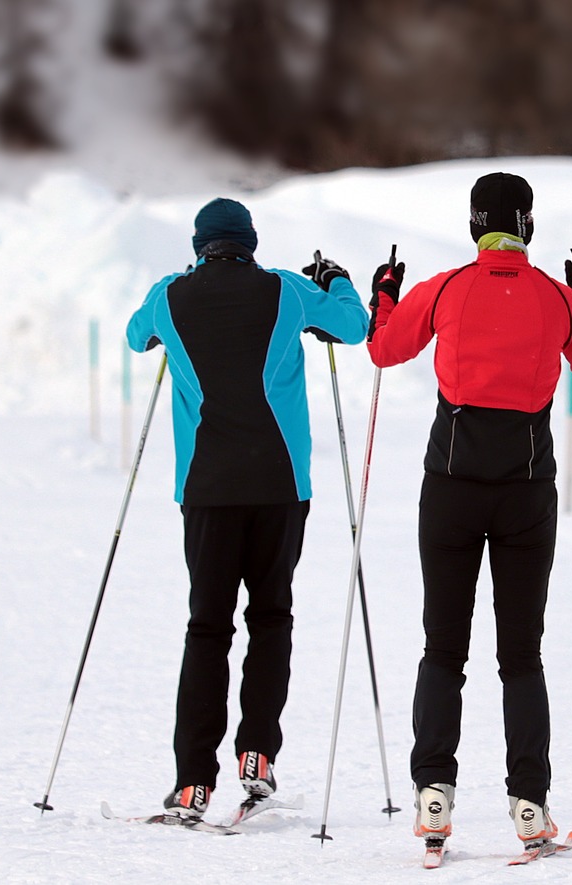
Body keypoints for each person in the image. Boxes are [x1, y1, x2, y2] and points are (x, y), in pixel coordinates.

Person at [364, 172, 572, 856]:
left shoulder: (444, 288)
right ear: (528, 224)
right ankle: (530, 804)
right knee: (521, 653)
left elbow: (384, 348)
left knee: (443, 646)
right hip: (527, 490)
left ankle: (433, 796)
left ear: (475, 225)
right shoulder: (558, 298)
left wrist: (384, 296)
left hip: (449, 485)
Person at [126, 197, 369, 823]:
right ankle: (257, 752)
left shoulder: (171, 296)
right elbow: (353, 326)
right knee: (271, 616)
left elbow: (134, 336)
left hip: (205, 488)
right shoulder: (286, 290)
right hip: (280, 485)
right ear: (251, 243)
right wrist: (335, 278)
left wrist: (166, 284)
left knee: (206, 626)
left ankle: (190, 783)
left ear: (199, 244)